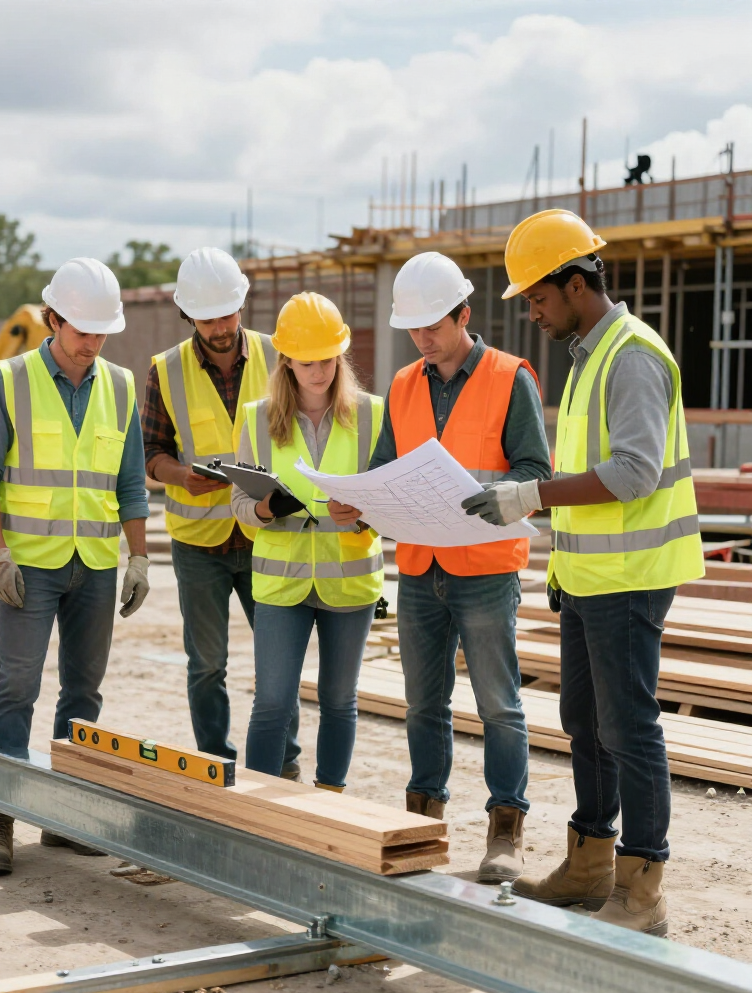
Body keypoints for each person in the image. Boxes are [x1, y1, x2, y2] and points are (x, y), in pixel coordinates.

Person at [462, 209, 704, 935]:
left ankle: (643, 886)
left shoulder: (631, 356)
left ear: (575, 284)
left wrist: (529, 496)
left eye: (537, 297)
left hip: (631, 577)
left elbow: (632, 473)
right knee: (585, 722)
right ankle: (591, 861)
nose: (532, 312)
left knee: (628, 726)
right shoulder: (589, 356)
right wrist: (561, 563)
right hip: (591, 576)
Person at [332, 252, 550, 883]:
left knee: (498, 704)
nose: (422, 338)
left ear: (464, 315)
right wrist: (361, 502)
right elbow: (386, 468)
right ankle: (422, 821)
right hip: (420, 567)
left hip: (485, 568)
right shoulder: (403, 385)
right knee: (423, 703)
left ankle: (505, 829)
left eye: (432, 326)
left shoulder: (511, 378)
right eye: (413, 329)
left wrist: (484, 495)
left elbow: (536, 472)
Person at [0, 257, 149, 876]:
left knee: (84, 692)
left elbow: (130, 483)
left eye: (102, 332)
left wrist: (140, 557)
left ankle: (66, 816)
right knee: (17, 686)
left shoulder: (120, 386)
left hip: (94, 564)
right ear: (52, 320)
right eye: (82, 330)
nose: (92, 342)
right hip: (29, 566)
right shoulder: (9, 379)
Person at [144, 247, 300, 774]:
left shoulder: (280, 356)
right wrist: (178, 475)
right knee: (207, 665)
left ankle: (284, 765)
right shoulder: (165, 370)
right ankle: (217, 765)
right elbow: (151, 451)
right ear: (187, 315)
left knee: (278, 663)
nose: (221, 328)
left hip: (269, 534)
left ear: (242, 304)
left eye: (228, 314)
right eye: (208, 319)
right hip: (199, 543)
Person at [232, 292, 384, 790]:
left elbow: (392, 503)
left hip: (350, 582)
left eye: (327, 360)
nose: (319, 372)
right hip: (282, 586)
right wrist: (263, 509)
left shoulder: (373, 415)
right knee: (272, 701)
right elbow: (238, 502)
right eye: (307, 363)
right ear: (286, 362)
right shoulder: (257, 418)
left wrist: (362, 515)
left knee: (339, 700)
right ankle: (257, 806)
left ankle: (330, 797)